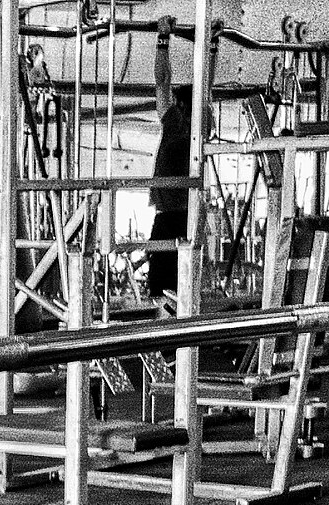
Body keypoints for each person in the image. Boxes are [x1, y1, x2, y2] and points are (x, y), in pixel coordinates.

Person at [147, 16, 192, 299]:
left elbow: (162, 81)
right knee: (182, 291)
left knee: (163, 291)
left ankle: (168, 341)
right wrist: (211, 45)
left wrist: (163, 39)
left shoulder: (175, 121)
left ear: (179, 103)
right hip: (187, 217)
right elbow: (207, 87)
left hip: (170, 219)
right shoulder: (203, 122)